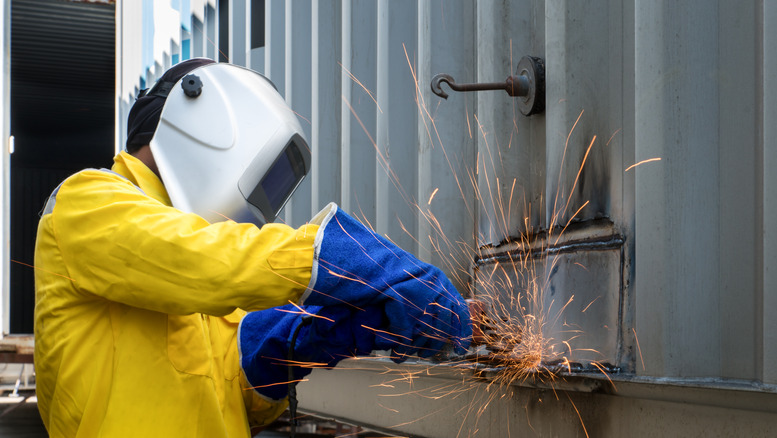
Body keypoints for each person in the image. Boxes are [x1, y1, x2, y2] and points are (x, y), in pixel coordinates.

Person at [33, 58, 471, 437]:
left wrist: (298, 344)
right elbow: (201, 260)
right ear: (206, 127)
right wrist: (335, 257)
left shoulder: (205, 271)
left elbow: (237, 401)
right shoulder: (87, 202)